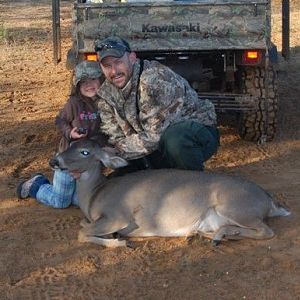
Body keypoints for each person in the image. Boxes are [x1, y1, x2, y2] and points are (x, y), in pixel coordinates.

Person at [94, 36, 219, 172]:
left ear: (132, 58)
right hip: (149, 143)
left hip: (194, 134)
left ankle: (193, 184)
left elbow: (154, 136)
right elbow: (115, 136)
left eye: (118, 62)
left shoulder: (155, 80)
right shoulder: (105, 94)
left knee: (176, 139)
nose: (114, 71)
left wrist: (116, 151)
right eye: (107, 66)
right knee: (124, 173)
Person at [16, 60, 107, 208]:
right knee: (61, 202)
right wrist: (70, 132)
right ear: (77, 86)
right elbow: (60, 120)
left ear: (101, 79)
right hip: (68, 158)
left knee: (83, 201)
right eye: (83, 82)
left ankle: (71, 191)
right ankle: (36, 185)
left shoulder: (108, 103)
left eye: (92, 79)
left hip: (88, 162)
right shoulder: (74, 103)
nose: (89, 85)